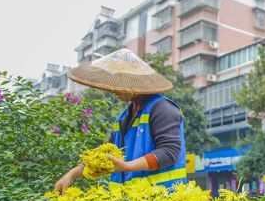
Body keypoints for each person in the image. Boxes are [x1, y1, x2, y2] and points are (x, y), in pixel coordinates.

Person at [54, 48, 187, 193]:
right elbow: (106, 154)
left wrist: (127, 166)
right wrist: (73, 173)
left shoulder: (162, 108)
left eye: (119, 83)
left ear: (134, 84)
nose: (113, 90)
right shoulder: (122, 117)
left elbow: (169, 152)